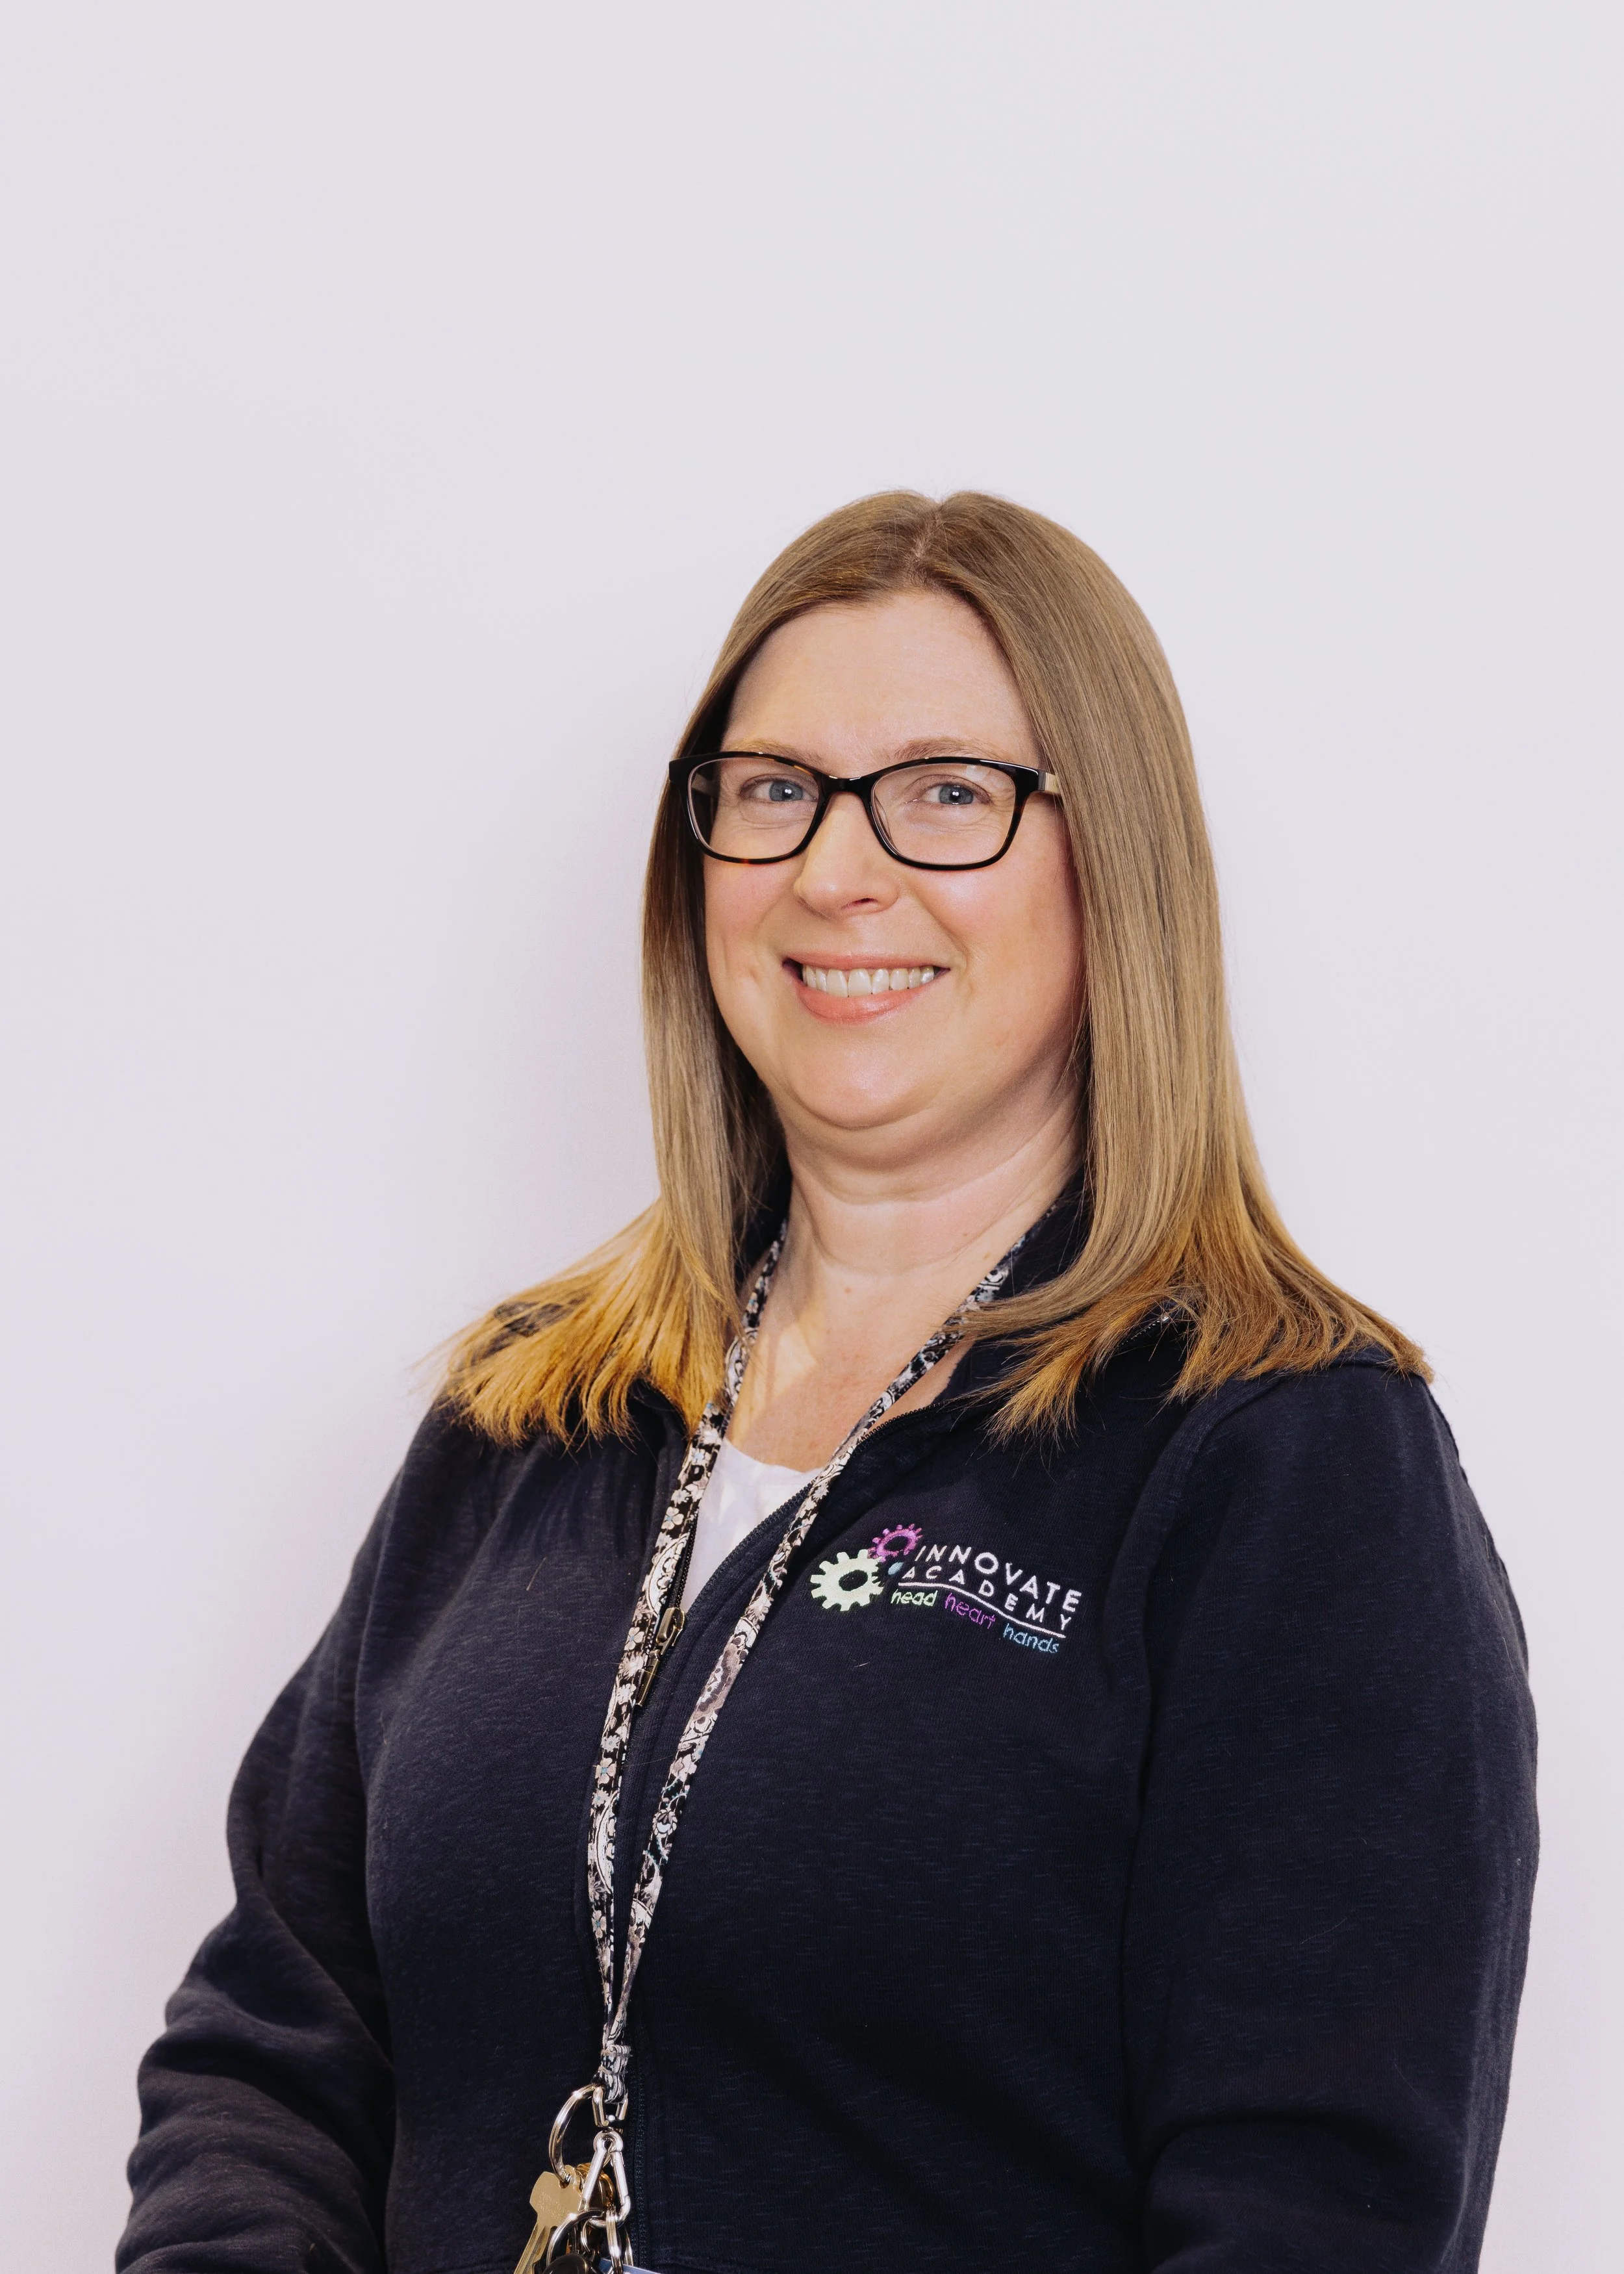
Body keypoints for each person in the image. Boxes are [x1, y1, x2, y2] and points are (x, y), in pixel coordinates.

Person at [119, 492, 1537, 2274]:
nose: (832, 871)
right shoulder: (524, 1416)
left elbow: (1314, 2212)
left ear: (1113, 867)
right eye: (773, 788)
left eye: (944, 793)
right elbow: (274, 2036)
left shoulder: (1286, 1458)